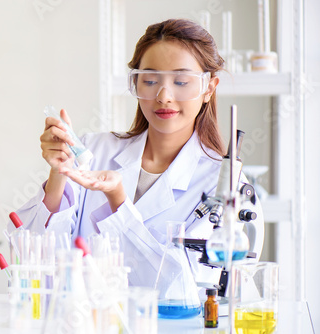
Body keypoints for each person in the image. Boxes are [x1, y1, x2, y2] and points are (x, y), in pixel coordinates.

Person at [13, 18, 263, 288]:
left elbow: (186, 290)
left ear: (208, 89)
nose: (164, 96)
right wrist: (58, 175)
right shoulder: (93, 151)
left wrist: (118, 201)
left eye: (181, 81)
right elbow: (34, 264)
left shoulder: (224, 184)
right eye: (151, 80)